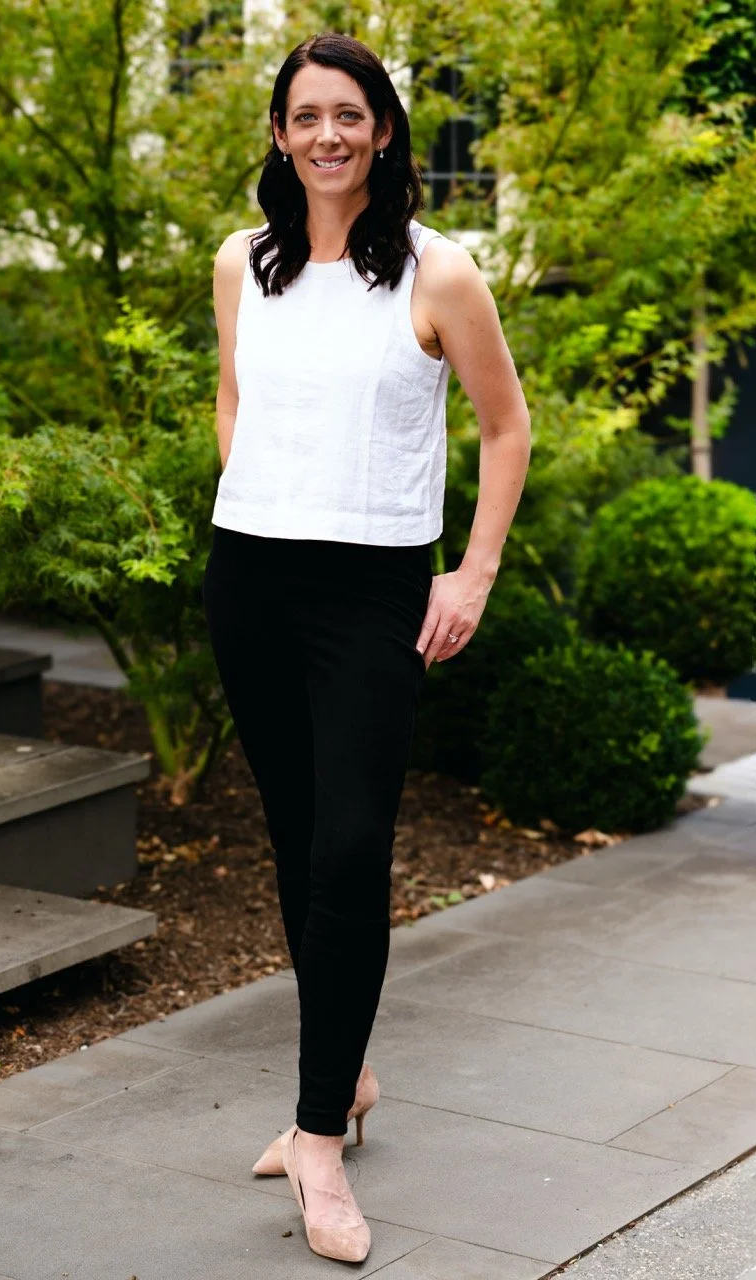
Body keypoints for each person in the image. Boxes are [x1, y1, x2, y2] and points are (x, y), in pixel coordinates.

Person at [201, 30, 531, 1265]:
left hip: (372, 594)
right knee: (295, 843)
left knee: (350, 847)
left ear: (382, 131)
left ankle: (315, 1138)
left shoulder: (438, 275)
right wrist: (258, 485)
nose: (324, 135)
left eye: (347, 114)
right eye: (302, 117)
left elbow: (507, 428)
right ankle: (341, 1073)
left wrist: (471, 571)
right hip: (250, 577)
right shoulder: (243, 262)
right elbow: (235, 395)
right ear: (279, 136)